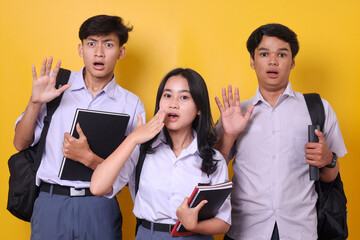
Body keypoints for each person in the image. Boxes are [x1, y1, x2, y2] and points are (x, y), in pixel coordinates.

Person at [13, 15, 145, 240]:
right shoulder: (55, 87)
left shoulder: (131, 104)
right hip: (51, 202)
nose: (99, 52)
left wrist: (89, 158)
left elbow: (128, 171)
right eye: (91, 43)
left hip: (100, 207)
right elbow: (20, 143)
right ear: (80, 49)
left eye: (109, 44)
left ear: (121, 52)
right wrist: (35, 103)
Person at [214, 23, 347, 240]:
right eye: (264, 53)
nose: (273, 61)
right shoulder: (237, 113)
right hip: (245, 230)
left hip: (300, 230)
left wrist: (328, 159)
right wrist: (228, 135)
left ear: (293, 61)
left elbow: (330, 176)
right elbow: (211, 170)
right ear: (252, 60)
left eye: (282, 54)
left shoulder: (318, 108)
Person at [91, 68, 232, 240]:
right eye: (167, 95)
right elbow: (97, 187)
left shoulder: (213, 158)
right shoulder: (141, 150)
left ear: (199, 109)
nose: (173, 103)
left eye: (184, 97)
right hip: (149, 235)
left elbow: (224, 222)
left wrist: (193, 224)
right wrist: (133, 139)